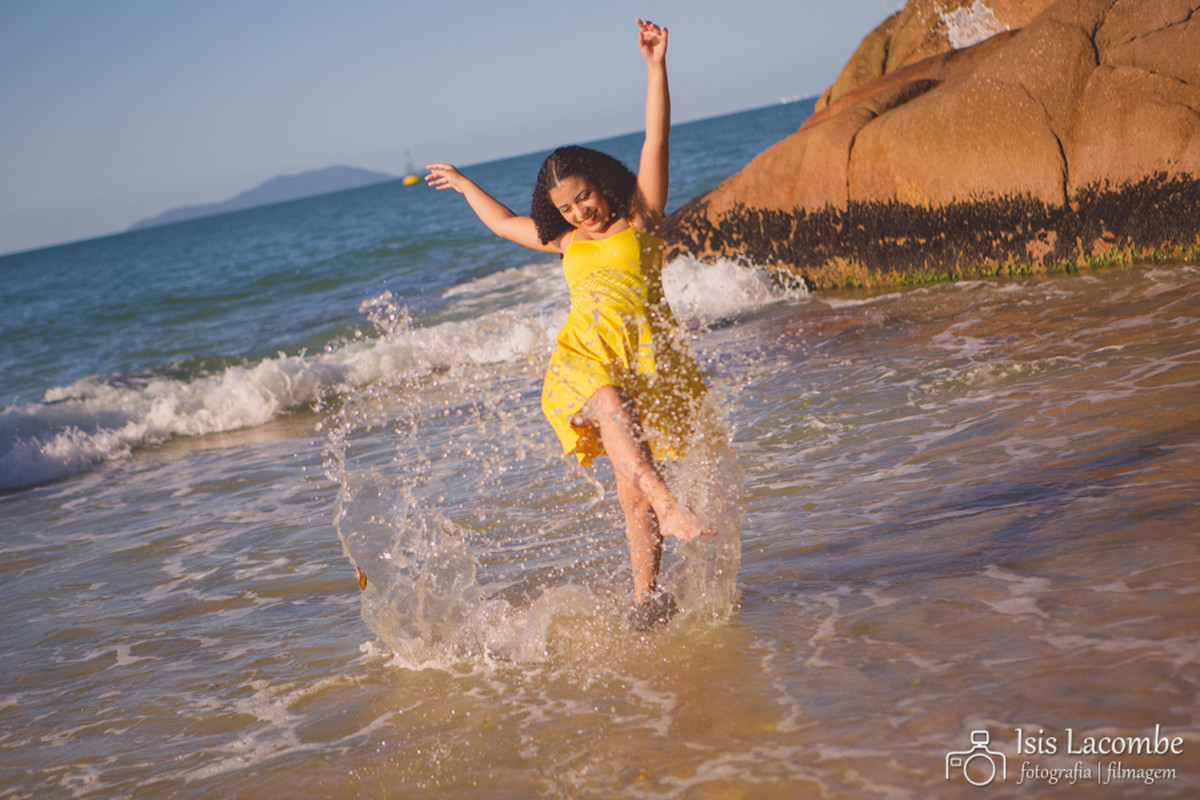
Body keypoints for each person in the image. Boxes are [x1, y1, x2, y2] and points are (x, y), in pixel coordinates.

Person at [425, 19, 714, 630]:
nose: (578, 212)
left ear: (601, 185)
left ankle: (645, 598)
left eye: (584, 198)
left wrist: (656, 66)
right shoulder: (563, 242)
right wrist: (463, 184)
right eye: (564, 208)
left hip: (645, 355)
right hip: (583, 357)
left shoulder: (641, 217)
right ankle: (670, 507)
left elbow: (656, 144)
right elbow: (504, 224)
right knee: (611, 412)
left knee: (628, 488)